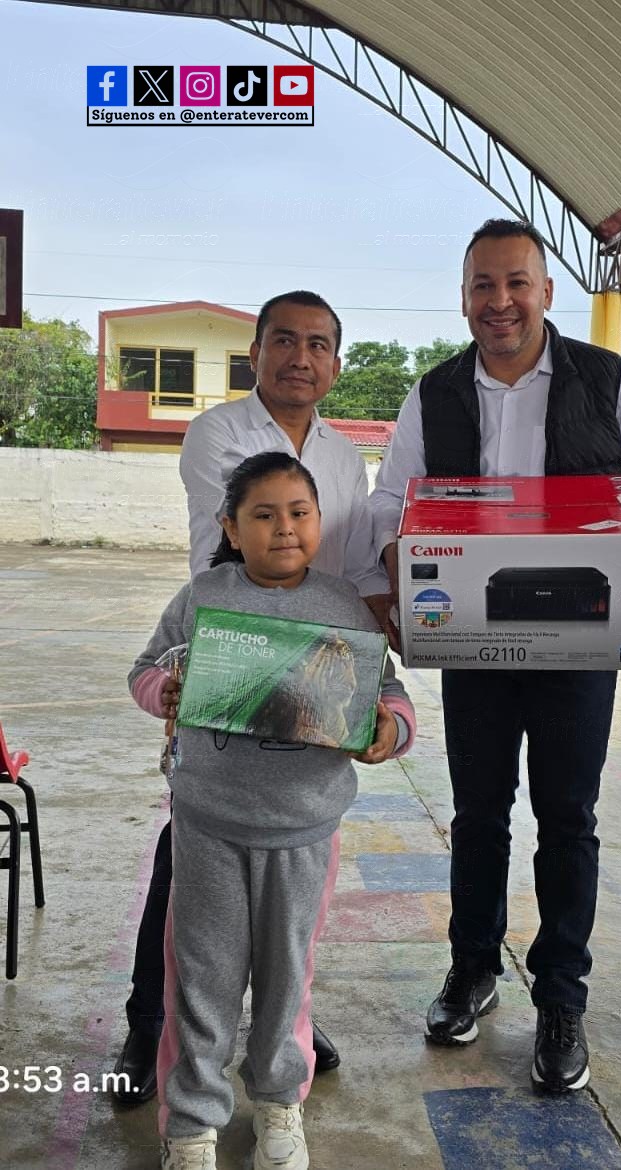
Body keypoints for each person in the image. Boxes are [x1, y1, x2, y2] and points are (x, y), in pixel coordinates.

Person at [369, 219, 621, 1093]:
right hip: (474, 642)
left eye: (516, 282)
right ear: (463, 298)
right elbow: (389, 503)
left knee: (567, 819)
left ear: (547, 292)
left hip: (578, 643)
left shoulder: (609, 381)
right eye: (483, 285)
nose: (501, 302)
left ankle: (561, 997)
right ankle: (472, 970)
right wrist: (399, 583)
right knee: (478, 816)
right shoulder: (434, 394)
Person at [113, 291, 389, 1104]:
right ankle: (149, 1023)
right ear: (257, 352)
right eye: (284, 341)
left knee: (294, 877)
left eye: (319, 344)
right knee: (193, 861)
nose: (301, 358)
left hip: (315, 671)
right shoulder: (219, 432)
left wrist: (372, 660)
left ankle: (285, 1023)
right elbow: (242, 536)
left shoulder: (345, 457)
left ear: (336, 361)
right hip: (231, 657)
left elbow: (347, 563)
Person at [130, 452, 415, 1170]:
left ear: (318, 522)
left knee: (288, 979)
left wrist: (390, 730)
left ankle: (279, 1100)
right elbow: (145, 669)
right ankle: (191, 1122)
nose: (283, 528)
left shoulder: (344, 605)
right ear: (231, 527)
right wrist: (163, 689)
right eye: (263, 515)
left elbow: (389, 694)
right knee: (201, 979)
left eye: (299, 512)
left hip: (305, 831)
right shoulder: (203, 596)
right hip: (208, 826)